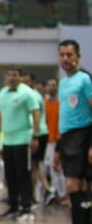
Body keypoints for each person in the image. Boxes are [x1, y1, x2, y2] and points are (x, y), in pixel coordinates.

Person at [53, 40, 92, 224]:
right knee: (77, 188)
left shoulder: (84, 79)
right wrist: (58, 148)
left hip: (82, 136)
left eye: (69, 55)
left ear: (78, 56)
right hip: (67, 138)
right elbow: (64, 117)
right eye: (62, 55)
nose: (65, 59)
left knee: (74, 187)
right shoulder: (63, 83)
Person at [0, 67, 41, 221]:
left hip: (22, 139)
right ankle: (13, 207)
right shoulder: (3, 93)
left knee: (23, 174)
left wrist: (35, 136)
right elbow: (1, 117)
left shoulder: (27, 93)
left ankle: (26, 207)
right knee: (10, 175)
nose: (12, 77)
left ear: (20, 77)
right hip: (8, 141)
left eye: (15, 75)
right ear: (5, 77)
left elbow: (36, 113)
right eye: (9, 75)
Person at [20, 70, 51, 209]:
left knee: (33, 166)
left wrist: (35, 135)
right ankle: (32, 196)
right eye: (23, 81)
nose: (25, 84)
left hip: (38, 134)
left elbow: (35, 116)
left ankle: (48, 190)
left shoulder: (33, 96)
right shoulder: (30, 95)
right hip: (36, 133)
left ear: (32, 82)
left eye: (27, 81)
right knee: (32, 167)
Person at [43, 77, 66, 206]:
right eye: (49, 85)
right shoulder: (44, 103)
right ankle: (55, 193)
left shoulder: (61, 103)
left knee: (60, 168)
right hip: (48, 140)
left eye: (54, 85)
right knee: (51, 169)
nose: (52, 87)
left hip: (59, 140)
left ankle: (64, 195)